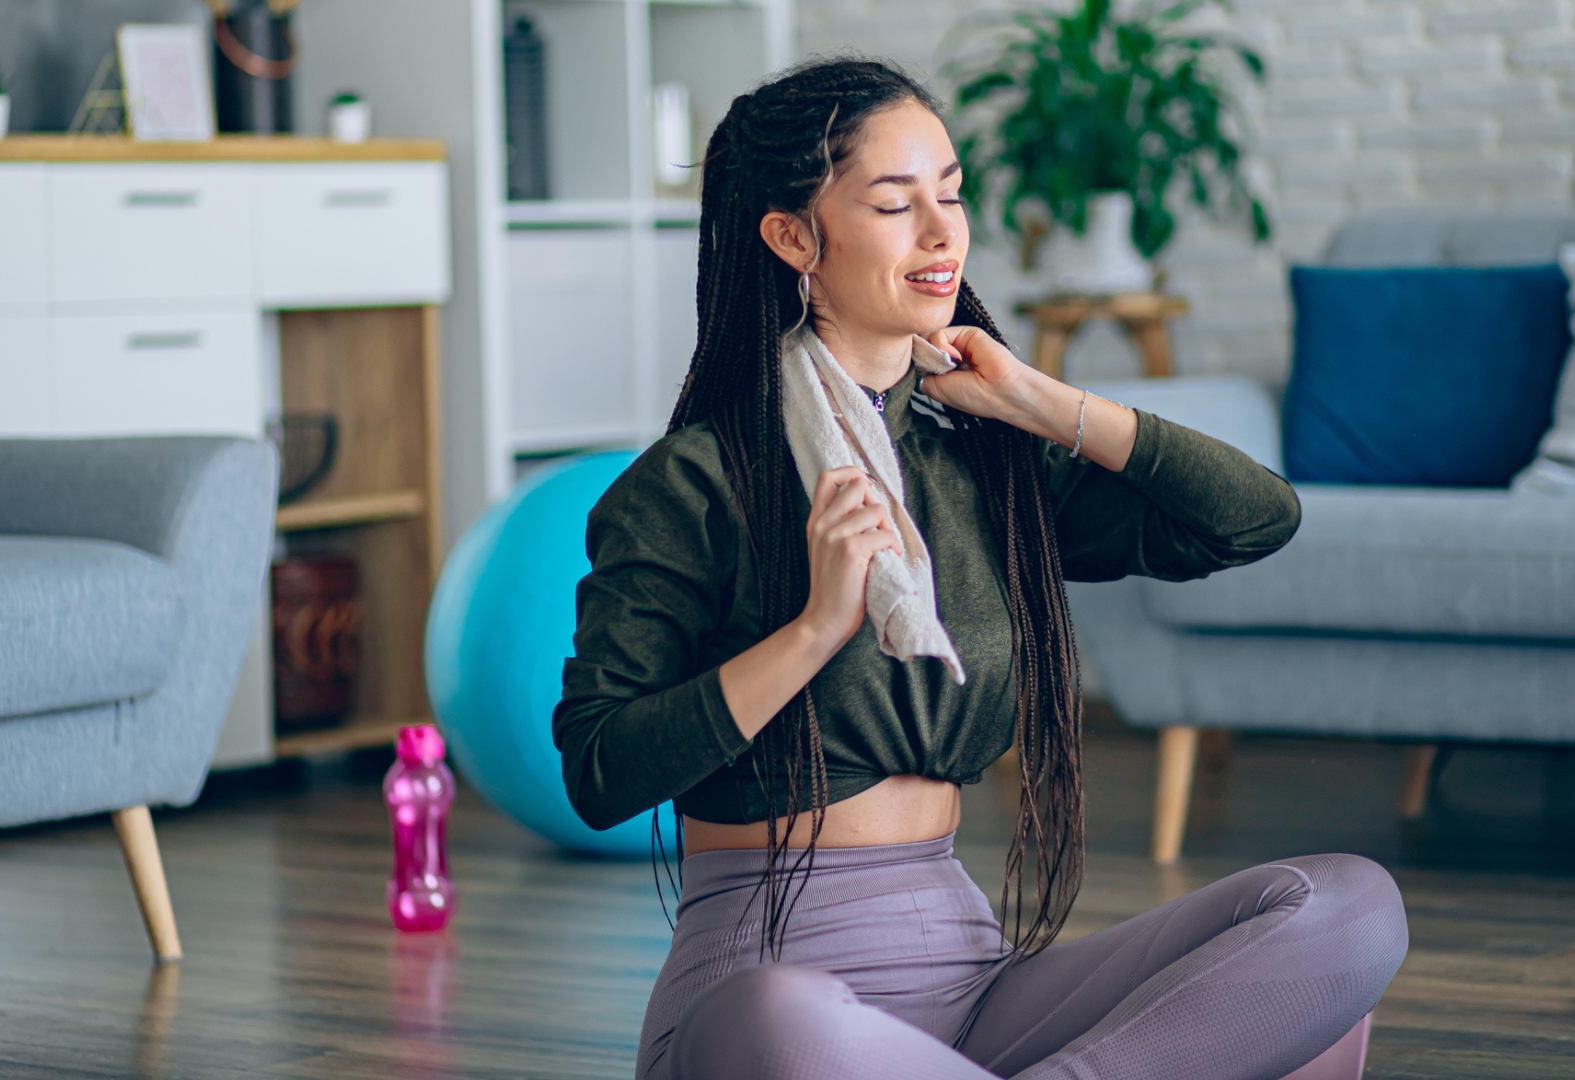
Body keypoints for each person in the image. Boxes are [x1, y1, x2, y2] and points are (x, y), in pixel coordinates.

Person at [555, 57, 1407, 1080]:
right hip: (770, 987)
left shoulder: (984, 464)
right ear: (792, 236)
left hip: (975, 986)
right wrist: (818, 626)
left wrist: (1039, 402)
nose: (941, 232)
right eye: (893, 201)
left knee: (1346, 912)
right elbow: (601, 772)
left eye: (952, 195)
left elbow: (1253, 519)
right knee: (779, 1017)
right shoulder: (690, 484)